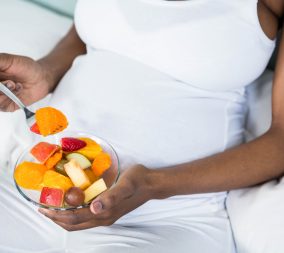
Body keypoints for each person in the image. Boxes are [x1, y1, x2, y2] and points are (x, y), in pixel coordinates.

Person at [0, 0, 283, 252]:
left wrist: (153, 185)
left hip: (166, 219)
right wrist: (46, 72)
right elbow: (90, 29)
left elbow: (280, 141)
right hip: (32, 192)